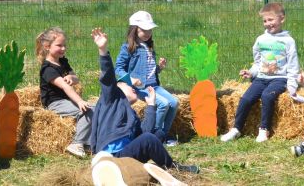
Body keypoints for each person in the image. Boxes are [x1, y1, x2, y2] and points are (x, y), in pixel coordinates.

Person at [89, 27, 200, 174]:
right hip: (111, 158)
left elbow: (146, 131)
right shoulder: (111, 100)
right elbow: (108, 77)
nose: (132, 88)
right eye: (127, 86)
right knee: (149, 138)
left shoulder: (132, 115)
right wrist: (103, 50)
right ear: (118, 87)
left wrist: (151, 105)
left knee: (158, 134)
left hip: (127, 155)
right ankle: (173, 167)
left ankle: (149, 165)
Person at [220, 2, 304, 143]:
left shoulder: (288, 41)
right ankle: (236, 129)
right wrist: (251, 73)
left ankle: (264, 130)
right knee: (246, 98)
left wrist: (292, 85)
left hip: (280, 78)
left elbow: (293, 64)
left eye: (271, 20)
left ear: (282, 19)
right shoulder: (260, 40)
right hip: (261, 78)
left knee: (267, 96)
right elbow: (258, 62)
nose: (267, 23)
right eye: (265, 21)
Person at [115, 10, 179, 146]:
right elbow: (118, 68)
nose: (148, 33)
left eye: (150, 30)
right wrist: (130, 80)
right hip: (140, 88)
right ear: (134, 30)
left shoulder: (149, 47)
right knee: (163, 104)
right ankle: (154, 133)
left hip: (153, 85)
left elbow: (149, 71)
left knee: (174, 103)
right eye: (144, 30)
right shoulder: (128, 48)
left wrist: (159, 68)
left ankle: (164, 133)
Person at [36, 27, 94, 158]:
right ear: (47, 46)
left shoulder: (63, 61)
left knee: (96, 108)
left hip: (67, 100)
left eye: (64, 45)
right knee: (86, 110)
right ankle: (77, 143)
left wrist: (71, 77)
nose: (63, 48)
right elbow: (65, 87)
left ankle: (90, 144)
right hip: (55, 103)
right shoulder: (47, 68)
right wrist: (79, 101)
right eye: (59, 45)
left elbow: (75, 78)